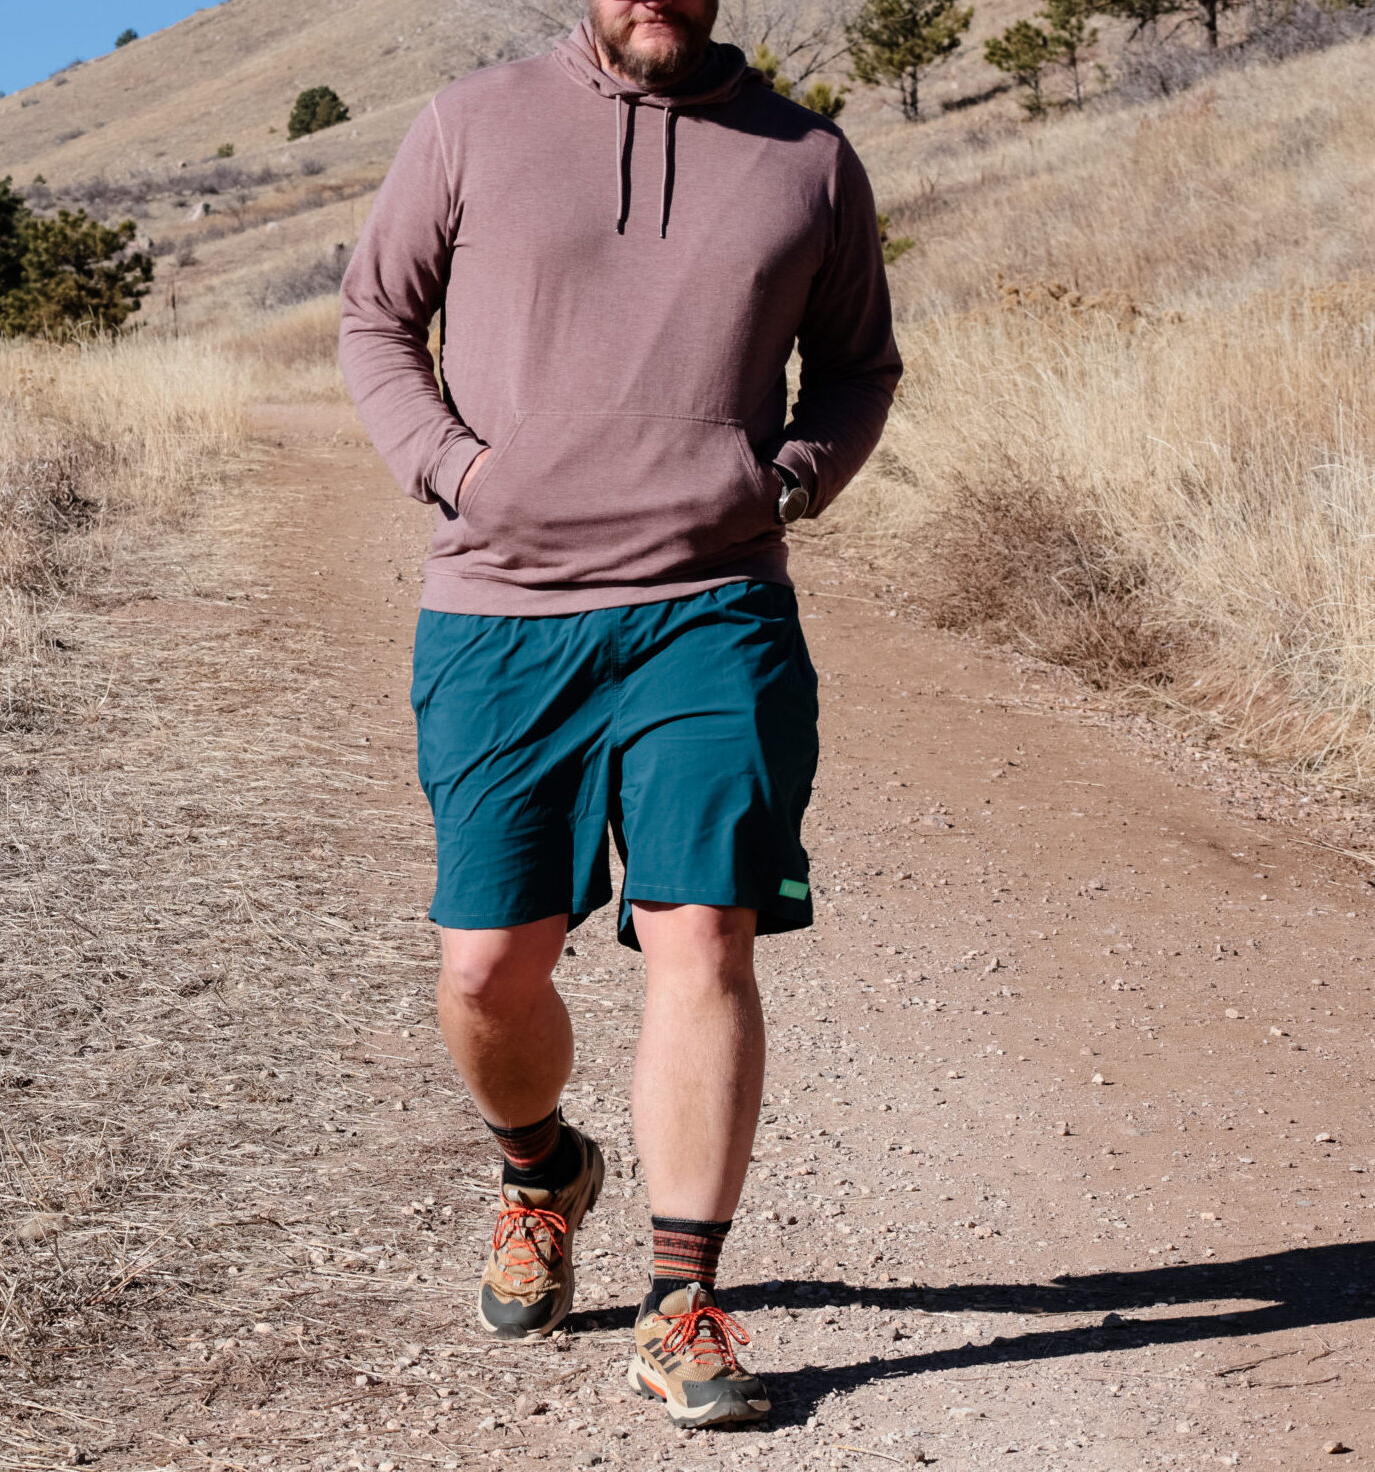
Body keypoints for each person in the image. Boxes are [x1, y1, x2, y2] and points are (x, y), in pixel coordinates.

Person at [338, 0, 902, 1430]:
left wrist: (782, 483)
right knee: (484, 969)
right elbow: (374, 318)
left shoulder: (804, 158)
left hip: (709, 610)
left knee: (697, 936)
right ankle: (538, 1173)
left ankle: (682, 1299)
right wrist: (454, 472)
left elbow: (855, 366)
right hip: (497, 614)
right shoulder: (472, 125)